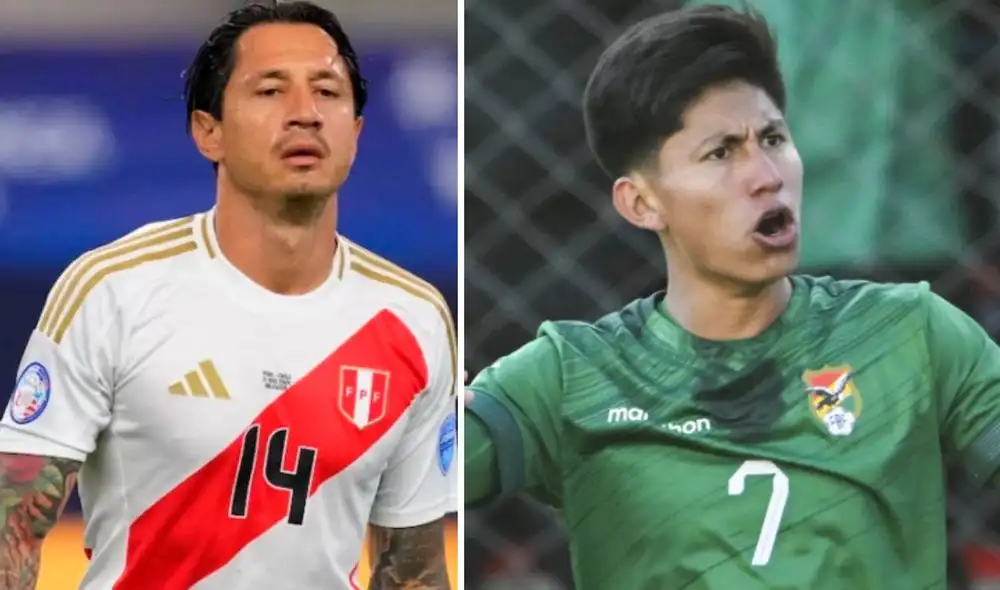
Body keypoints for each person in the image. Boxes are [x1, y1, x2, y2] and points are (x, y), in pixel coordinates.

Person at [464, 4, 1000, 589]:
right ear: (640, 202)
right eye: (721, 152)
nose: (766, 173)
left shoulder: (909, 333)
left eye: (773, 138)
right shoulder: (570, 375)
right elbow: (397, 464)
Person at [0, 2, 456, 589]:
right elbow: (13, 533)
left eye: (328, 92)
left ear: (357, 131)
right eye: (270, 92)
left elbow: (414, 571)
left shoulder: (414, 320)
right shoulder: (113, 290)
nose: (305, 115)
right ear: (207, 131)